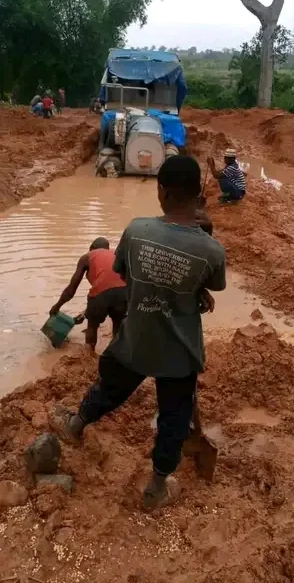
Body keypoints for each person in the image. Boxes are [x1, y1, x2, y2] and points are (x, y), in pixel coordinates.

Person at [51, 156, 226, 510]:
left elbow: (128, 276)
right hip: (179, 353)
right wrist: (196, 291)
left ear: (160, 191)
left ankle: (75, 424)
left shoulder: (135, 231)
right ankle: (156, 488)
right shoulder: (212, 251)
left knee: (109, 389)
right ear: (198, 196)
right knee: (174, 418)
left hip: (135, 339)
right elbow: (204, 283)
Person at [49, 237, 127, 352]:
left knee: (92, 326)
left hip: (101, 294)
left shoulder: (87, 257)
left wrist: (57, 306)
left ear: (92, 248)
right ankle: (116, 357)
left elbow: (71, 289)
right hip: (124, 292)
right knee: (118, 327)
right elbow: (114, 285)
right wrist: (87, 313)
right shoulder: (117, 254)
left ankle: (89, 356)